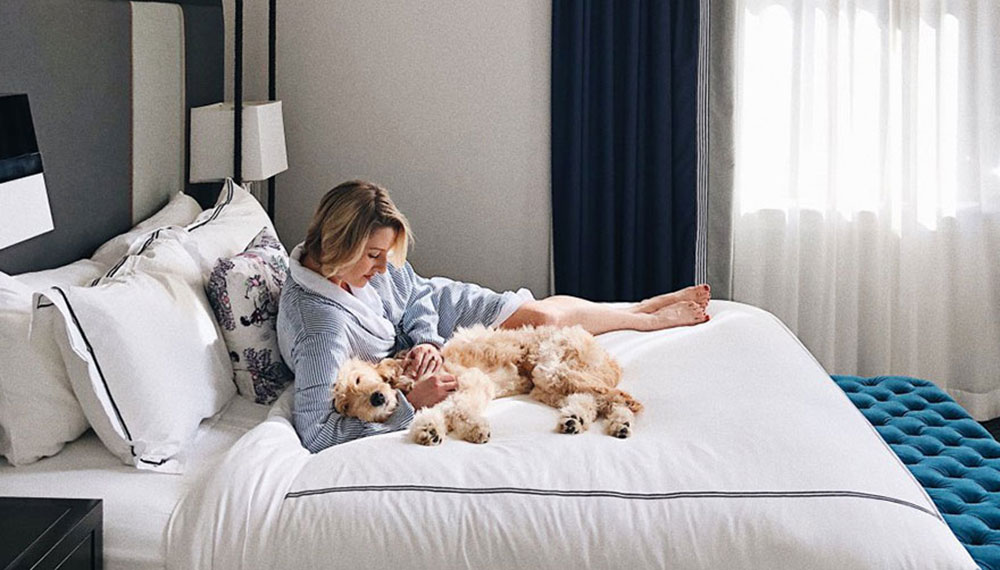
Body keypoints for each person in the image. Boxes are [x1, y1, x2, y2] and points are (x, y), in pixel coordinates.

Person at [276, 180, 710, 453]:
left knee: (540, 314)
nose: (383, 268)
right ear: (340, 243)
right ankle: (639, 314)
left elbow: (412, 289)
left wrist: (427, 340)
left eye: (385, 255)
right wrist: (410, 408)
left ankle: (636, 313)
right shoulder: (321, 328)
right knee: (542, 320)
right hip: (438, 349)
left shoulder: (350, 267)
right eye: (373, 256)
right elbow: (316, 432)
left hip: (437, 314)